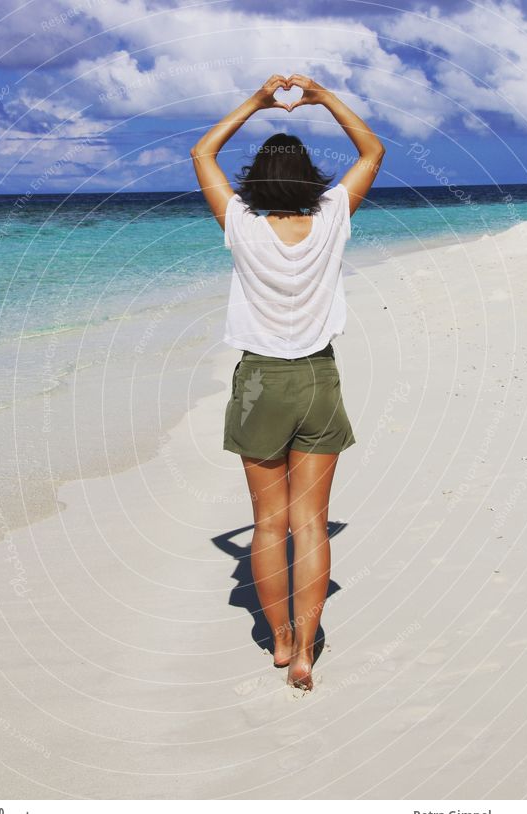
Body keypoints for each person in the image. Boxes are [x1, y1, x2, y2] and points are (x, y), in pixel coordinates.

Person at [190, 74, 386, 690]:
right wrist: (322, 98)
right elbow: (372, 151)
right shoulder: (332, 217)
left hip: (259, 383)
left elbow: (202, 153)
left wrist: (254, 101)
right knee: (311, 523)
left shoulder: (240, 223)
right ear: (309, 179)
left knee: (268, 523)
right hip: (318, 379)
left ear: (257, 181)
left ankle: (277, 640)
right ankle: (307, 648)